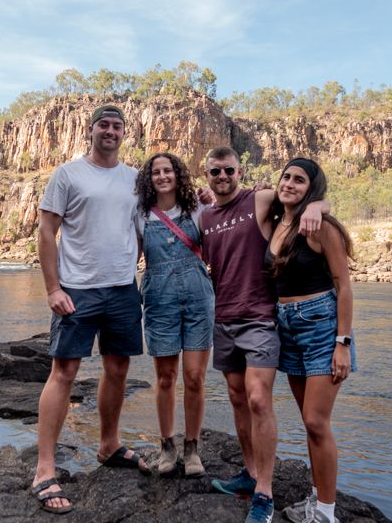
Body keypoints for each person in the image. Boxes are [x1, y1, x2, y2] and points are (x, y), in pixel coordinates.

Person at [30, 105, 150, 515]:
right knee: (63, 372)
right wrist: (52, 288)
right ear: (91, 129)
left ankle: (108, 444)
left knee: (118, 369)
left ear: (124, 133)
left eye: (117, 126)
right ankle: (45, 467)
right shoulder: (67, 174)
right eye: (104, 124)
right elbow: (47, 232)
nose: (110, 131)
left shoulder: (135, 178)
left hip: (121, 289)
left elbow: (149, 226)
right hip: (77, 290)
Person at [200, 147, 326, 523]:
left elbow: (305, 197)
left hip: (260, 319)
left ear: (239, 171)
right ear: (205, 174)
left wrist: (320, 207)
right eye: (215, 171)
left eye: (228, 170)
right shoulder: (204, 215)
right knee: (238, 398)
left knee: (258, 400)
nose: (222, 176)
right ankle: (249, 473)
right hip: (223, 319)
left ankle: (265, 493)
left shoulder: (259, 199)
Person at [268, 158, 355, 523]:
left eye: (299, 180)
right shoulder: (275, 223)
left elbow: (344, 286)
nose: (289, 184)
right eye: (286, 177)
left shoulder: (321, 227)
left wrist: (343, 343)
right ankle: (317, 502)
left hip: (320, 325)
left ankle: (326, 514)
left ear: (312, 189)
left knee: (317, 422)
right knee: (308, 422)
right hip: (285, 326)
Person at [134, 152, 214, 477]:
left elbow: (217, 247)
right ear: (149, 179)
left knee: (195, 378)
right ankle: (167, 445)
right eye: (156, 171)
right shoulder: (140, 214)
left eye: (168, 170)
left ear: (178, 174)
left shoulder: (198, 208)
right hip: (159, 300)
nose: (163, 176)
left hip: (198, 299)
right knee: (166, 378)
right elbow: (130, 254)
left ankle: (192, 448)